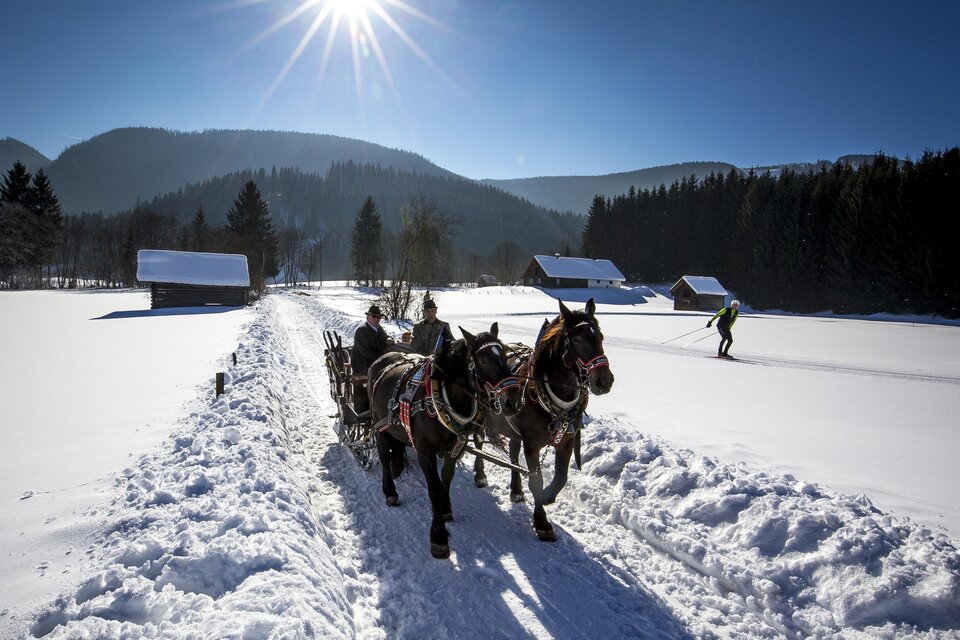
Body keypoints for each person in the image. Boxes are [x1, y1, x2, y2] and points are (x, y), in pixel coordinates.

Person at [352, 305, 393, 377]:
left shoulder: (379, 328)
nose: (376, 319)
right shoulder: (361, 331)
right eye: (374, 316)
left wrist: (389, 339)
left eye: (379, 317)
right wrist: (384, 359)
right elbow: (366, 352)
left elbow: (386, 336)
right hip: (364, 364)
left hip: (379, 361)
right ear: (368, 316)